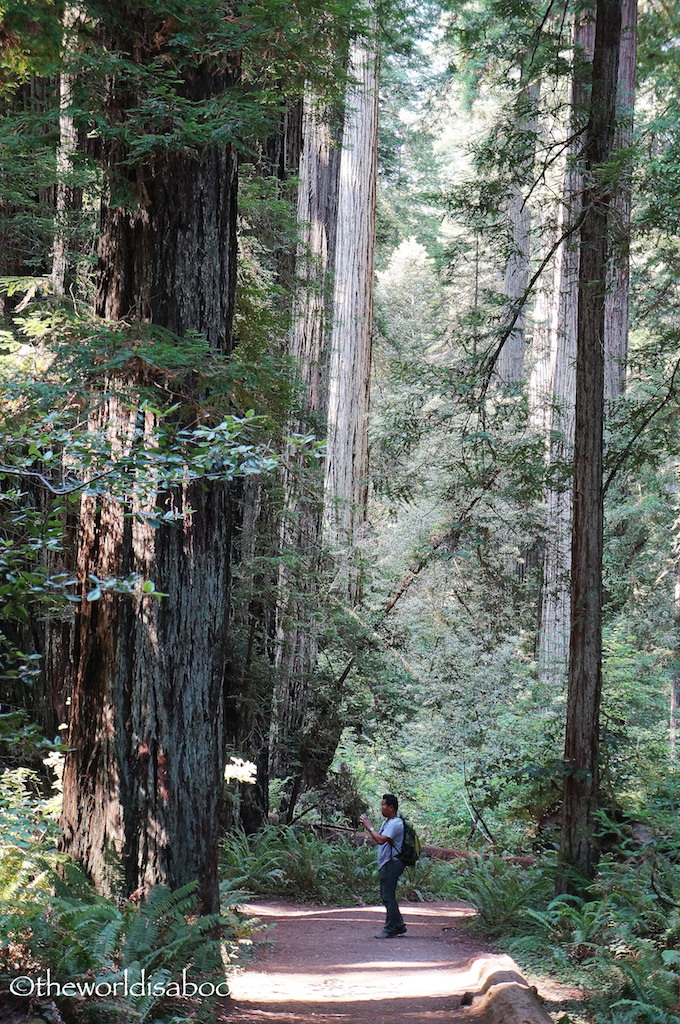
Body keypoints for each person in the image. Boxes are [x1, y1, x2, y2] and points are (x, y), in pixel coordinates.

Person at [360, 794, 407, 939]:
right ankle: (398, 925)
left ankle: (389, 928)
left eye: (384, 805)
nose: (382, 808)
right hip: (387, 863)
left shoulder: (395, 823)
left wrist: (369, 827)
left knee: (388, 896)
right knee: (387, 895)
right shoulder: (388, 822)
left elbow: (381, 840)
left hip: (393, 863)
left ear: (391, 808)